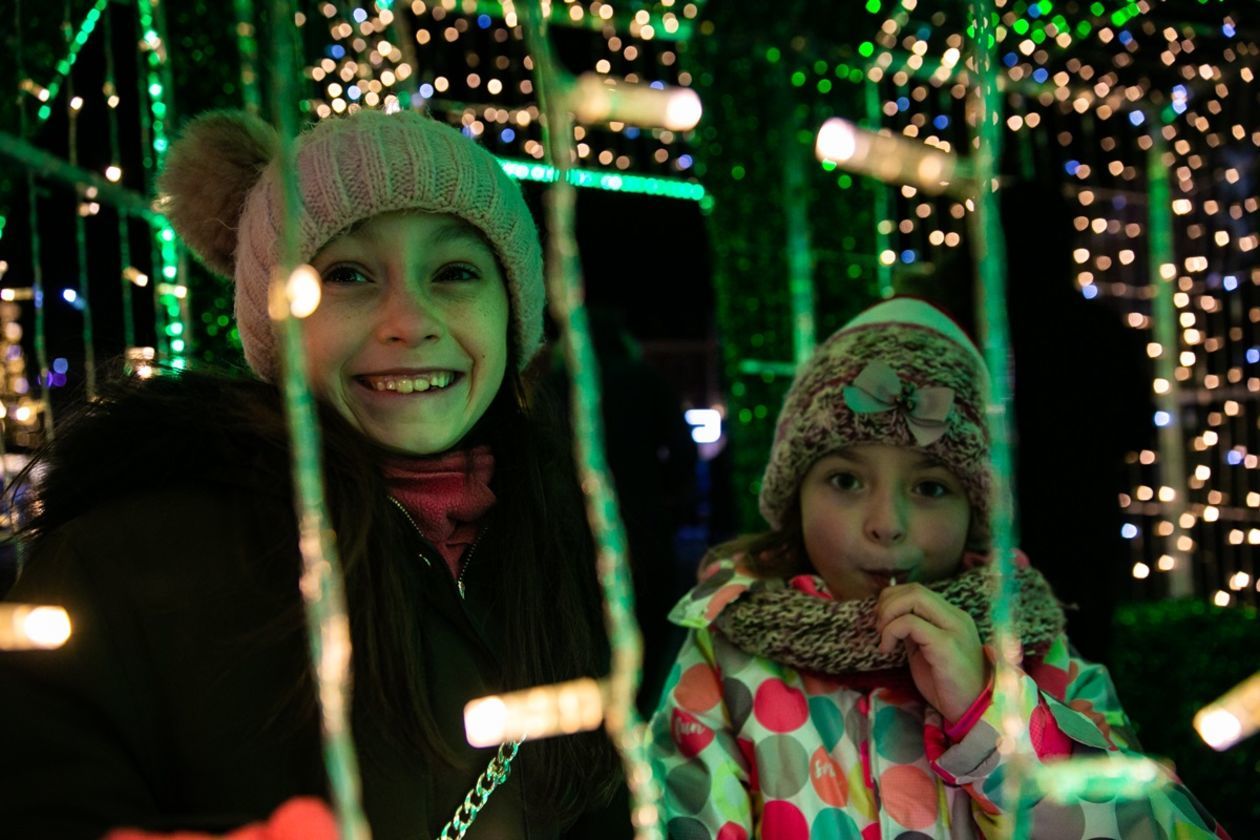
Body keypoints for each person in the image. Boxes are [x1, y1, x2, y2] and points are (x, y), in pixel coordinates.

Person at [0, 109, 628, 839]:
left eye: (455, 271)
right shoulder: (129, 561)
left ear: (511, 309)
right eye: (349, 274)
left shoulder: (559, 541)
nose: (409, 320)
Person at [648, 298, 1227, 838]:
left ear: (974, 512)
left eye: (929, 487)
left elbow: (1154, 826)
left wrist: (992, 714)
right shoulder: (725, 667)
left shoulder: (1039, 655)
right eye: (845, 480)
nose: (886, 522)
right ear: (793, 495)